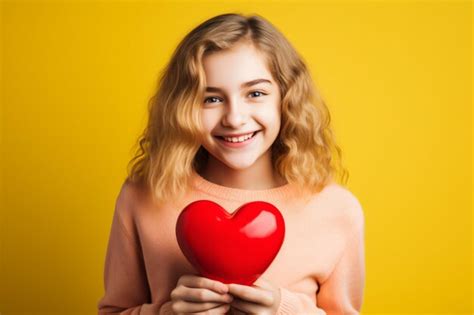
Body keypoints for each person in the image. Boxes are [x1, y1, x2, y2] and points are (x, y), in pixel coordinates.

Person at [97, 12, 365, 315]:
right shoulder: (142, 197)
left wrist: (283, 309)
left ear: (285, 99)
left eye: (256, 93)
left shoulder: (337, 209)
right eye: (211, 99)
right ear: (182, 108)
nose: (234, 118)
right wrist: (167, 312)